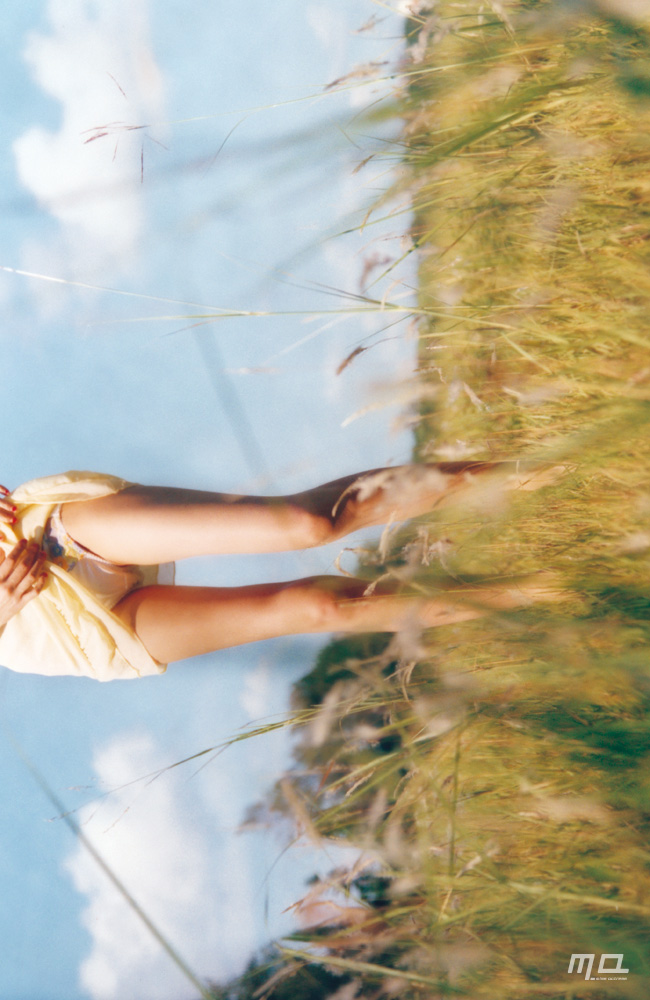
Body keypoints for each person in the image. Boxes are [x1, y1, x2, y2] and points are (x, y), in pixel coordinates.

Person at [0, 462, 563, 681]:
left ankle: (533, 471)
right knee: (321, 609)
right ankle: (546, 591)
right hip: (60, 636)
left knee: (308, 521)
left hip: (38, 536)